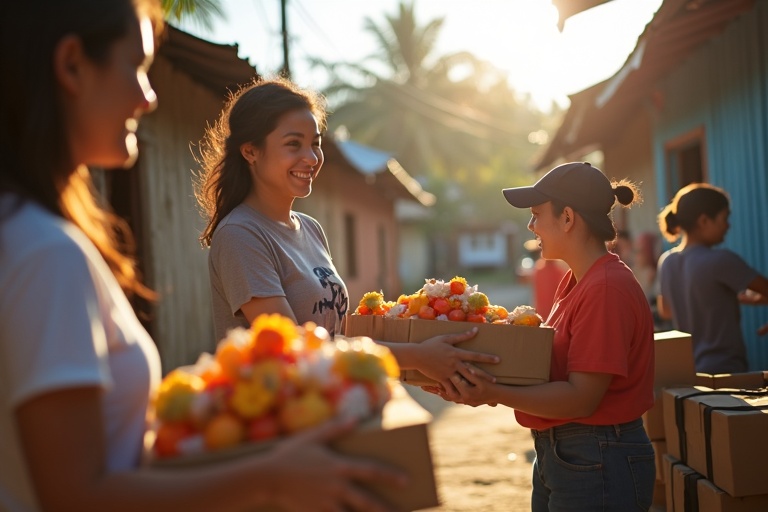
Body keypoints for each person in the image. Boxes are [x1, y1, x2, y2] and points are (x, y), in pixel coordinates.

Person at [0, 2, 406, 511]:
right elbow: (74, 495)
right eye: (137, 67)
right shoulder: (45, 254)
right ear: (72, 65)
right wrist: (268, 479)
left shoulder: (32, 238)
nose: (148, 98)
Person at [194, 77, 499, 391]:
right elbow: (294, 349)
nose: (311, 158)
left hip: (330, 402)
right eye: (293, 144)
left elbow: (335, 336)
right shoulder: (241, 235)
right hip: (277, 410)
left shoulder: (310, 229)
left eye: (315, 143)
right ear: (250, 151)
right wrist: (416, 356)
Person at [426, 162, 657, 511]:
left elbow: (581, 398)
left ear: (567, 218)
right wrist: (481, 376)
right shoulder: (578, 280)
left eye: (536, 215)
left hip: (598, 454)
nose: (531, 226)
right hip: (567, 451)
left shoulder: (606, 288)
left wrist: (493, 392)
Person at [656, 182, 768, 373]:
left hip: (691, 374)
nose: (728, 226)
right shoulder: (721, 260)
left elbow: (666, 311)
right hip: (727, 371)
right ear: (704, 221)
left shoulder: (667, 261)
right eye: (725, 218)